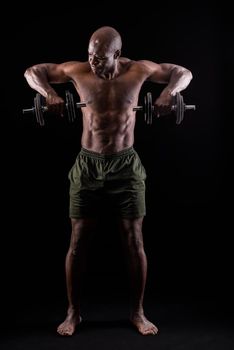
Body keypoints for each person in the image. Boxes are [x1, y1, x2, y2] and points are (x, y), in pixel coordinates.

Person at [24, 25, 193, 336]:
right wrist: (48, 93)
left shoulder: (139, 70)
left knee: (134, 242)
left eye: (100, 58)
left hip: (126, 165)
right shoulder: (76, 71)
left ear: (117, 55)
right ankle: (73, 313)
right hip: (87, 165)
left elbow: (183, 72)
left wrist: (170, 92)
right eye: (90, 56)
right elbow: (32, 71)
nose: (93, 63)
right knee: (77, 244)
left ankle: (137, 313)